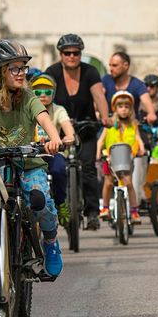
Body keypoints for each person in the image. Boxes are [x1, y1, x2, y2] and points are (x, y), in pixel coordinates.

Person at [0, 40, 64, 278]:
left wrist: (54, 138)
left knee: (40, 200)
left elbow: (44, 118)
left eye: (23, 68)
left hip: (28, 164)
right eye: (14, 68)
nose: (21, 74)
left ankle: (50, 241)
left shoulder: (28, 98)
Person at [45, 34, 110, 231]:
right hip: (58, 130)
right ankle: (62, 206)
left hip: (86, 127)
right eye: (67, 53)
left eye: (76, 53)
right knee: (57, 169)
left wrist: (105, 117)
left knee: (89, 167)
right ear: (60, 54)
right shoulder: (52, 72)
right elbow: (40, 94)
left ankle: (92, 213)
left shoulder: (90, 72)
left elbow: (98, 95)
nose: (72, 56)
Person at [97, 90, 147, 224]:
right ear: (115, 108)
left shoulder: (133, 124)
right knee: (108, 182)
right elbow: (101, 140)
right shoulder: (109, 124)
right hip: (110, 157)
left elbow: (138, 138)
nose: (124, 110)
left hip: (127, 157)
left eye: (126, 107)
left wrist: (142, 149)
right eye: (120, 107)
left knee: (129, 183)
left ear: (131, 109)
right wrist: (98, 154)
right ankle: (105, 208)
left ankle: (134, 211)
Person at [30, 73, 76, 211]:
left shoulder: (58, 110)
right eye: (37, 92)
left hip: (54, 152)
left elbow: (68, 128)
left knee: (58, 170)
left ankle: (61, 203)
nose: (42, 95)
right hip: (32, 153)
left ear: (53, 94)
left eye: (47, 91)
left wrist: (69, 137)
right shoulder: (26, 109)